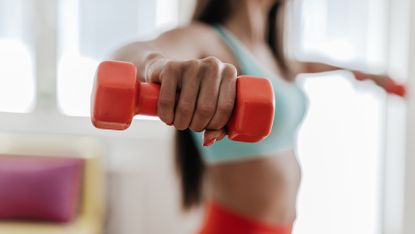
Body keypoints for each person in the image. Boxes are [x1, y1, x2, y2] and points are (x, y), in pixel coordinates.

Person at [112, 0, 405, 233]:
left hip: (281, 227)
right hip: (235, 228)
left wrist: (362, 73)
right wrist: (153, 64)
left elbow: (307, 64)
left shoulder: (271, 53)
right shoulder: (208, 39)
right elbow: (132, 53)